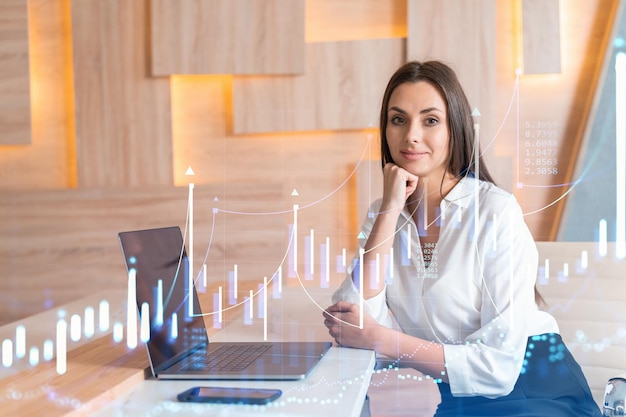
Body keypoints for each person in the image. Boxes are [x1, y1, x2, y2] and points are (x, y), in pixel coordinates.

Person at [323, 60, 602, 416]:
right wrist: (390, 208)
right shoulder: (384, 214)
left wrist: (383, 340)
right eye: (398, 119)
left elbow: (498, 370)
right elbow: (351, 319)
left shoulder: (495, 211)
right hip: (461, 399)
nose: (410, 135)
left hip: (535, 391)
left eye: (430, 120)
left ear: (454, 128)